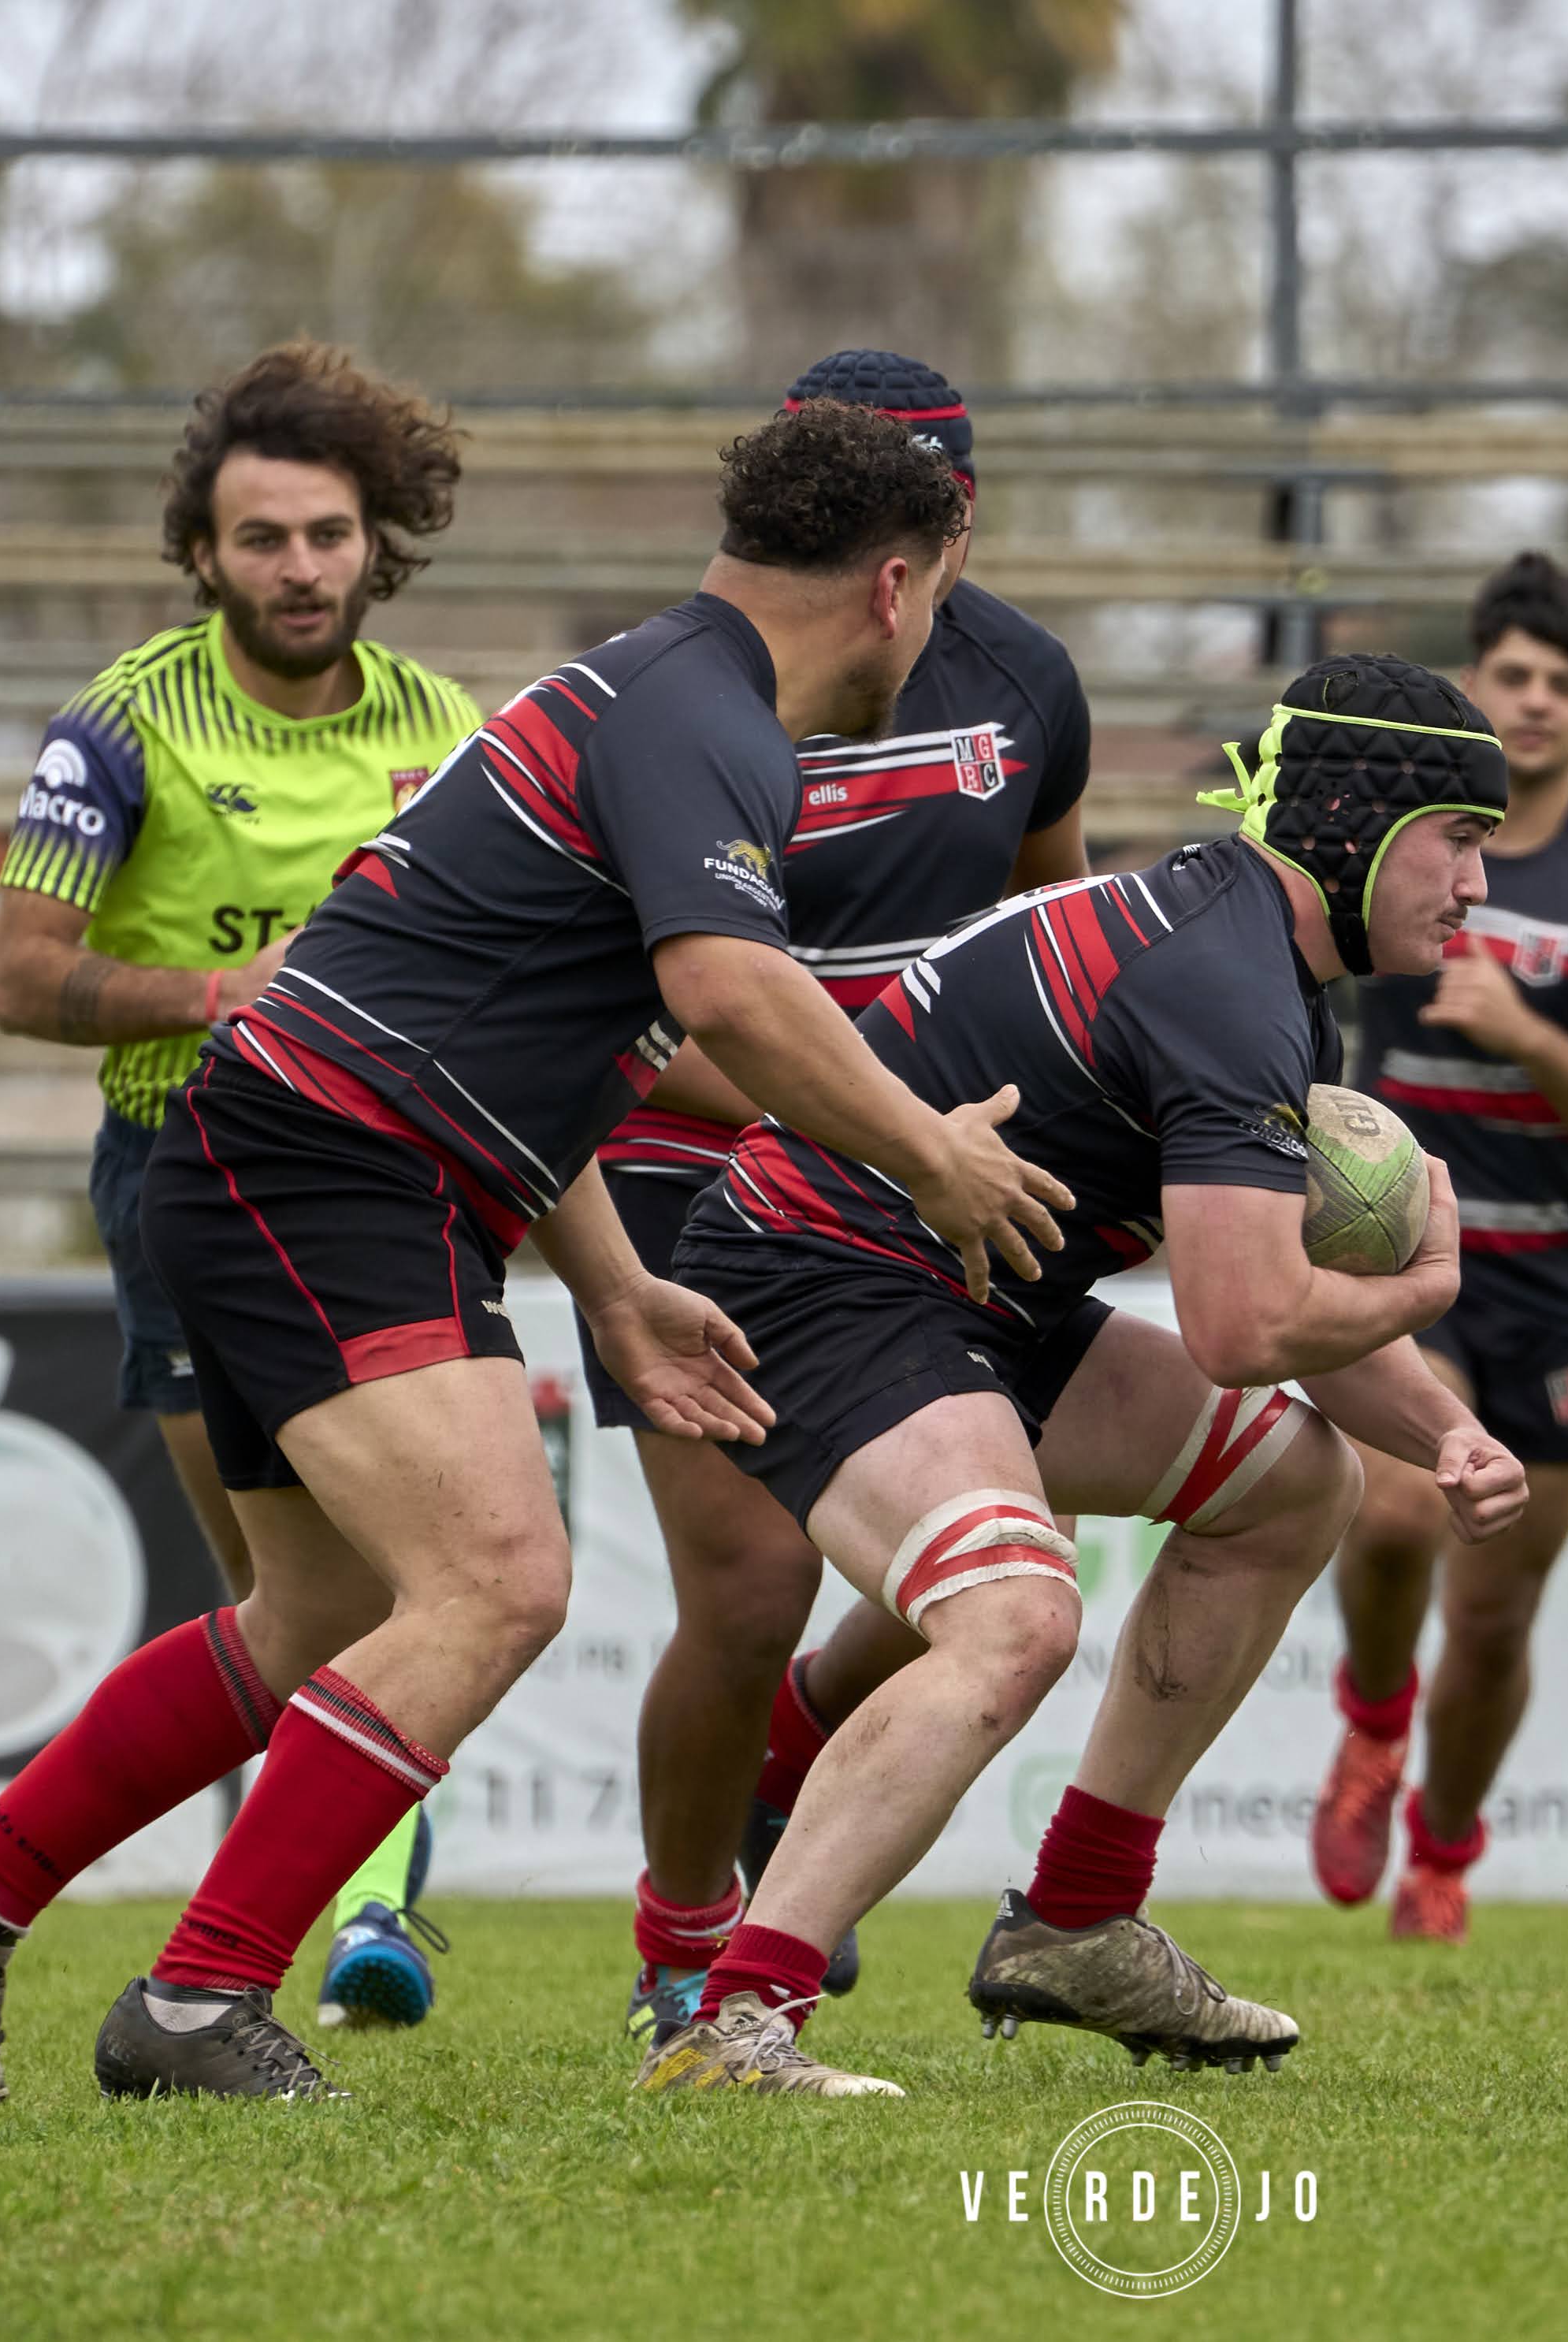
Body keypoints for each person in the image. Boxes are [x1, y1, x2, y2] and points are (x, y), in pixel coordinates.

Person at [0, 400, 1066, 2102]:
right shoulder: (707, 720)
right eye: (936, 606)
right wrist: (929, 1152)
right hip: (334, 1166)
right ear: (895, 586)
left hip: (301, 1157)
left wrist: (614, 1287)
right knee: (496, 1582)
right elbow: (726, 994)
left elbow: (556, 1040)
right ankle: (197, 2001)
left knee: (319, 1611)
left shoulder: (659, 692)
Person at [637, 653, 1531, 2099]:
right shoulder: (1229, 986)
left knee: (1294, 1485)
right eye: (1462, 839)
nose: (1477, 886)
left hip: (976, 1295)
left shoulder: (1257, 965)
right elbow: (1246, 1325)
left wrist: (1446, 1430)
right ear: (1359, 826)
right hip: (821, 1280)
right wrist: (1428, 1284)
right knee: (1015, 1618)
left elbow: (1263, 1310)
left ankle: (1077, 1919)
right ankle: (733, 2025)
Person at [589, 351, 1093, 2047]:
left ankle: (792, 1757)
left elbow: (1055, 932)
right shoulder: (694, 694)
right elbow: (650, 1014)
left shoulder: (1025, 680)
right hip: (699, 1178)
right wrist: (874, 1123)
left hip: (924, 1173)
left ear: (958, 519)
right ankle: (682, 1943)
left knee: (1006, 1536)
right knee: (747, 1590)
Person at [0, 341, 482, 2032]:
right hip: (186, 1185)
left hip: (388, 1183)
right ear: (203, 552)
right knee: (296, 1601)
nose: (301, 568)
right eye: (262, 538)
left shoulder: (445, 729)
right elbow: (17, 978)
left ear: (375, 540)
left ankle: (359, 1915)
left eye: (328, 535)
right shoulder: (122, 726)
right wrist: (218, 992)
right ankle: (240, 1926)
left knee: (403, 1584)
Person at [1306, 554, 1568, 1942]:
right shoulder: (1396, 850)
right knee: (1398, 1512)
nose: (1534, 702)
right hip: (1405, 1259)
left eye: (1563, 685)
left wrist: (1528, 1034)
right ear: (1474, 684)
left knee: (1495, 1618)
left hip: (1553, 1285)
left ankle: (1445, 1851)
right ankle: (1372, 1717)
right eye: (1513, 675)